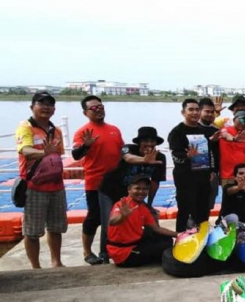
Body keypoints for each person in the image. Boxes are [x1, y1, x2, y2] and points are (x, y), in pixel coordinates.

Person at [15, 92, 67, 269]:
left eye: (50, 104)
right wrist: (44, 153)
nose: (46, 107)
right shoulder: (26, 127)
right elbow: (25, 150)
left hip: (57, 186)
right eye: (41, 103)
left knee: (56, 227)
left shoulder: (56, 130)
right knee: (32, 231)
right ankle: (36, 267)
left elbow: (58, 155)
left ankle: (56, 262)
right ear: (32, 107)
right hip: (34, 187)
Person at [71, 95, 124, 265]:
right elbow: (76, 154)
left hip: (117, 182)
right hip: (95, 183)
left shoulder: (114, 129)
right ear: (85, 112)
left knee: (118, 217)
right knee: (94, 217)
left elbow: (122, 153)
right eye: (94, 108)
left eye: (100, 106)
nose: (99, 110)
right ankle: (87, 252)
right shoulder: (83, 132)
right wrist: (86, 145)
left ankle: (113, 248)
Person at [99, 126, 167, 252]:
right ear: (139, 142)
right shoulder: (129, 148)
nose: (149, 144)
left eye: (152, 141)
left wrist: (149, 204)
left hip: (134, 192)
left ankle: (142, 248)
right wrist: (144, 160)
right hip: (110, 190)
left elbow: (154, 182)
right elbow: (128, 158)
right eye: (146, 141)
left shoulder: (160, 157)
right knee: (109, 222)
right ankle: (105, 254)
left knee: (148, 219)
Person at [168, 98, 219, 232]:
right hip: (185, 178)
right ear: (183, 112)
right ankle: (180, 238)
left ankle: (201, 238)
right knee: (185, 210)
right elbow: (175, 155)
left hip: (203, 177)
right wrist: (187, 156)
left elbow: (211, 153)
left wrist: (213, 171)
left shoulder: (204, 131)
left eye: (197, 110)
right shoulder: (177, 132)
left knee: (203, 211)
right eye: (191, 110)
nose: (195, 112)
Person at [106, 175, 177, 267]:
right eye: (137, 188)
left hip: (135, 243)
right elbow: (112, 221)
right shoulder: (122, 205)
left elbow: (156, 229)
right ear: (129, 189)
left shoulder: (143, 207)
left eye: (145, 189)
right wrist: (123, 216)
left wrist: (179, 234)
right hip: (123, 252)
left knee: (166, 239)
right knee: (165, 248)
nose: (141, 192)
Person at [198, 98, 221, 210]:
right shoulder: (194, 128)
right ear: (199, 111)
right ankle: (192, 228)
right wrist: (209, 140)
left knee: (208, 205)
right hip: (198, 174)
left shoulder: (215, 129)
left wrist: (215, 172)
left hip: (213, 174)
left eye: (212, 112)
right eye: (207, 111)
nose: (210, 114)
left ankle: (203, 227)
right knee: (195, 205)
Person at [218, 110, 245, 186]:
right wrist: (234, 139)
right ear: (234, 120)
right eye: (241, 119)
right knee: (228, 197)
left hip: (243, 175)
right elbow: (225, 135)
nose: (243, 122)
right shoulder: (226, 129)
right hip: (227, 175)